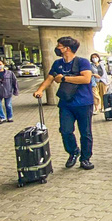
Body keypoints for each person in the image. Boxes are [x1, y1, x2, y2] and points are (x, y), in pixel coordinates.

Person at [33, 36, 95, 170]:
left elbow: (86, 79)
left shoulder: (82, 62)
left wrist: (64, 78)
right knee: (65, 131)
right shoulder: (57, 64)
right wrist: (40, 90)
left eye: (59, 46)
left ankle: (85, 159)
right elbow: (50, 78)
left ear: (67, 48)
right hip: (66, 104)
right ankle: (73, 152)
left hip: (84, 103)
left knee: (85, 133)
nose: (57, 48)